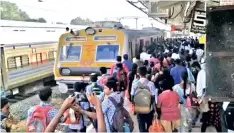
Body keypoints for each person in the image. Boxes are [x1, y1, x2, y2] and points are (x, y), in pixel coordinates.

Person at [131, 66, 157, 132]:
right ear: (146, 73)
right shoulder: (151, 84)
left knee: (141, 125)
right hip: (149, 108)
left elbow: (132, 97)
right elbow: (153, 97)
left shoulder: (135, 84)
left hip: (139, 108)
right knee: (149, 124)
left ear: (138, 73)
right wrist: (154, 109)